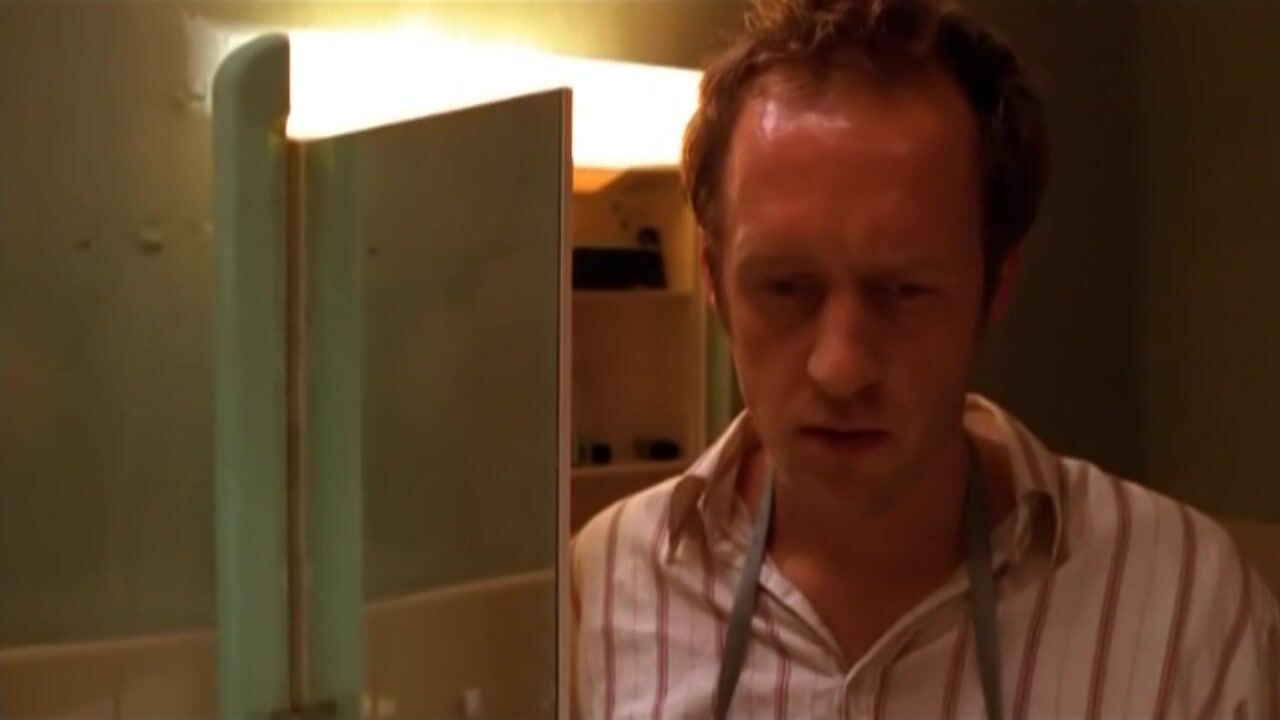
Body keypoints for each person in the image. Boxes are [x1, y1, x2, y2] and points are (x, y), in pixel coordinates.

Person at [569, 0, 1280, 717]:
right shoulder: (595, 596)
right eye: (786, 288)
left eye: (905, 291)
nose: (840, 368)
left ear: (996, 283)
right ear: (714, 281)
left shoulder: (1184, 608)